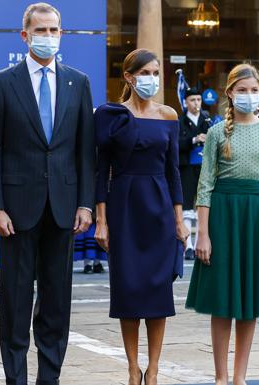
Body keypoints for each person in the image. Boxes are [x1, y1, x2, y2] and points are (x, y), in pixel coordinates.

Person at [0, 3, 95, 384]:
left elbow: (84, 150)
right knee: (14, 300)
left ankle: (50, 377)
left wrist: (85, 203)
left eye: (54, 30)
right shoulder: (2, 83)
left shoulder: (77, 82)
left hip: (64, 208)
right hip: (16, 210)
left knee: (56, 299)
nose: (49, 37)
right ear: (24, 35)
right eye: (41, 30)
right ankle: (16, 378)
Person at [186, 64, 259, 385]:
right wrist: (203, 233)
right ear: (230, 93)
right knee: (222, 299)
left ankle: (240, 377)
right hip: (223, 216)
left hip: (258, 216)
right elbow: (205, 185)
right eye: (241, 90)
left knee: (249, 300)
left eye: (253, 90)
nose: (248, 95)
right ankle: (220, 376)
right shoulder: (216, 132)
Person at [93, 49, 188, 385]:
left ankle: (154, 369)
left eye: (156, 72)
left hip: (160, 206)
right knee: (128, 290)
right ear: (129, 77)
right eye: (145, 72)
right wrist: (101, 220)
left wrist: (180, 218)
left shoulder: (169, 116)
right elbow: (101, 169)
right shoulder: (111, 115)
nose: (152, 79)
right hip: (124, 205)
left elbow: (173, 170)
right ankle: (133, 368)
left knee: (158, 291)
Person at [178, 87, 212, 260]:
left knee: (203, 205)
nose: (196, 103)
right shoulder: (180, 121)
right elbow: (175, 144)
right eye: (193, 100)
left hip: (204, 168)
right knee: (186, 207)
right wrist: (194, 140)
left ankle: (200, 242)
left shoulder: (207, 120)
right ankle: (188, 246)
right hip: (186, 169)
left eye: (199, 100)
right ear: (186, 102)